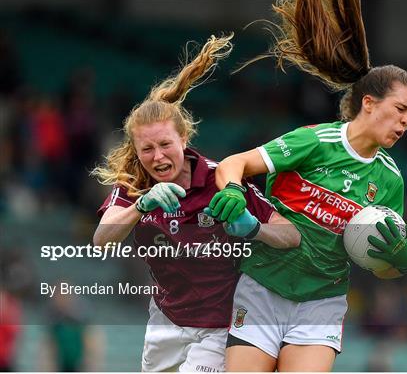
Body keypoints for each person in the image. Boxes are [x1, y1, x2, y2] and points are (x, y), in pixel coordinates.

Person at [207, 0, 407, 371]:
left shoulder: (390, 179)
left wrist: (400, 262)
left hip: (322, 302)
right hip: (262, 287)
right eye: (401, 109)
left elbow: (380, 264)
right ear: (368, 103)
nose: (406, 121)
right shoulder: (315, 141)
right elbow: (235, 163)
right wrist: (232, 190)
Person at [92, 34, 300, 372]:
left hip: (223, 324)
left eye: (165, 144)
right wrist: (140, 206)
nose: (157, 156)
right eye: (147, 149)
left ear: (184, 139)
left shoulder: (222, 180)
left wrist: (253, 228)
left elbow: (290, 235)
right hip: (166, 318)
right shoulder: (133, 184)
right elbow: (101, 239)